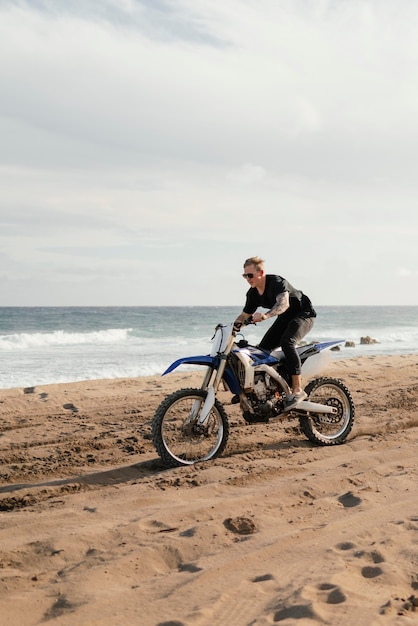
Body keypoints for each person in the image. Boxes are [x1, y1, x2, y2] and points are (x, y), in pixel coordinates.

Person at [234, 256, 316, 409]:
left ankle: (298, 389)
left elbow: (283, 305)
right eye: (245, 276)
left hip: (303, 314)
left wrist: (265, 316)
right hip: (285, 318)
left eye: (250, 275)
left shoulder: (276, 283)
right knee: (262, 351)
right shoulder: (252, 294)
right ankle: (274, 390)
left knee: (287, 342)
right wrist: (231, 329)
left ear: (261, 273)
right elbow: (244, 315)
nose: (247, 279)